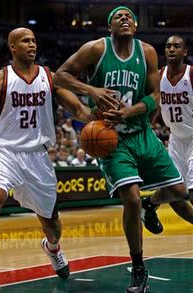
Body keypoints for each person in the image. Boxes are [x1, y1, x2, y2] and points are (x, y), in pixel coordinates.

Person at [54, 6, 188, 292]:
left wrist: (132, 113)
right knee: (131, 199)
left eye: (129, 16)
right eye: (118, 16)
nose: (125, 18)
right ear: (110, 26)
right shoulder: (95, 50)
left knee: (179, 192)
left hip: (141, 132)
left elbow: (156, 95)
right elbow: (59, 78)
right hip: (111, 139)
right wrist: (92, 91)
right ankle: (139, 268)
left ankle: (152, 204)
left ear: (136, 27)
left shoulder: (148, 52)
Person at [0, 27, 94, 280]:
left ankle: (52, 248)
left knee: (51, 223)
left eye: (34, 40)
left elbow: (79, 110)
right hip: (4, 151)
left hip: (38, 156)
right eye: (25, 41)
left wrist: (97, 119)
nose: (32, 44)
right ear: (12, 47)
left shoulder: (49, 78)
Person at [146, 35, 193, 223]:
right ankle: (148, 203)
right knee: (174, 194)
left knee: (191, 191)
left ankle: (149, 202)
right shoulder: (158, 76)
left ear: (185, 52)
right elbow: (153, 105)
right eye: (168, 46)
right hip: (175, 140)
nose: (171, 49)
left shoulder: (191, 74)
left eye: (176, 46)